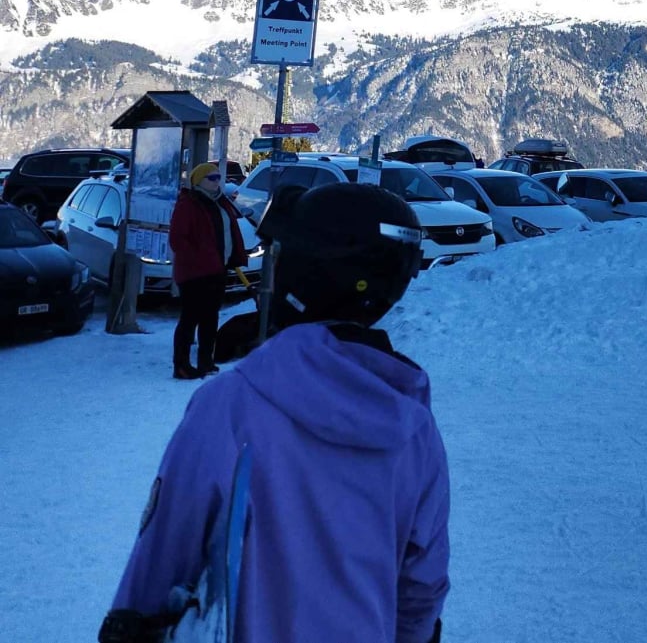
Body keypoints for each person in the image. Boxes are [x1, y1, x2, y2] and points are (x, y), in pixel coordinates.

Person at [99, 183, 450, 643]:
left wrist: (130, 625)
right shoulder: (414, 426)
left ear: (300, 272)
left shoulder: (229, 406)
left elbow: (164, 551)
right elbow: (421, 585)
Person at [167, 162, 247, 379]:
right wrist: (199, 258)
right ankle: (181, 364)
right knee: (190, 318)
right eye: (211, 178)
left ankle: (206, 361)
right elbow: (177, 239)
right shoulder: (189, 204)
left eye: (218, 177)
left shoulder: (220, 202)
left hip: (218, 269)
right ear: (199, 181)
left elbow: (229, 231)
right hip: (195, 273)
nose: (217, 181)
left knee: (210, 318)